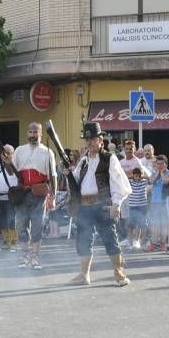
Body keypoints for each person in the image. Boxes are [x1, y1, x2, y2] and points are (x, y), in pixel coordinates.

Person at [66, 122, 131, 286]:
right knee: (83, 240)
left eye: (93, 139)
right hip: (84, 206)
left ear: (101, 140)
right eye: (87, 140)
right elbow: (75, 181)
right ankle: (84, 274)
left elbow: (118, 183)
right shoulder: (83, 162)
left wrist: (116, 204)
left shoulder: (110, 158)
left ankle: (119, 273)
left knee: (110, 239)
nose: (89, 142)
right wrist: (67, 172)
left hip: (103, 205)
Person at [12, 122, 57, 270]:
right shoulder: (19, 150)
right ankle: (24, 256)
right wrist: (6, 161)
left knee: (37, 226)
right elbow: (12, 171)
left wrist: (53, 196)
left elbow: (53, 176)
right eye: (30, 132)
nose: (32, 135)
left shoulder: (47, 152)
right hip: (22, 193)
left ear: (41, 133)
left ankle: (35, 257)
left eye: (35, 132)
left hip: (39, 194)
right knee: (21, 226)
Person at [0, 145, 19, 251]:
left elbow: (10, 171)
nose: (5, 154)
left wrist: (8, 161)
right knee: (1, 220)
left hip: (9, 197)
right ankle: (6, 240)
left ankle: (13, 241)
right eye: (3, 153)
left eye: (7, 152)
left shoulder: (13, 165)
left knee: (11, 219)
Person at [146, 155, 169, 251]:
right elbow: (151, 181)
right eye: (158, 164)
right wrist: (158, 172)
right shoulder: (154, 173)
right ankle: (154, 244)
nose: (159, 165)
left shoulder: (168, 173)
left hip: (165, 203)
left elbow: (165, 181)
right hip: (155, 203)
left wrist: (162, 172)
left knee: (163, 224)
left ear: (166, 164)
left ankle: (163, 243)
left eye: (161, 164)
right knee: (155, 224)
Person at [127, 167, 149, 250]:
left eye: (139, 176)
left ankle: (140, 242)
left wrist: (144, 176)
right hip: (132, 206)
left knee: (142, 225)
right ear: (133, 175)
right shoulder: (130, 182)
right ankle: (130, 243)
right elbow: (124, 178)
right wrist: (131, 176)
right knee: (131, 226)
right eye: (136, 176)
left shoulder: (144, 182)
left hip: (142, 206)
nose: (138, 178)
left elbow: (150, 178)